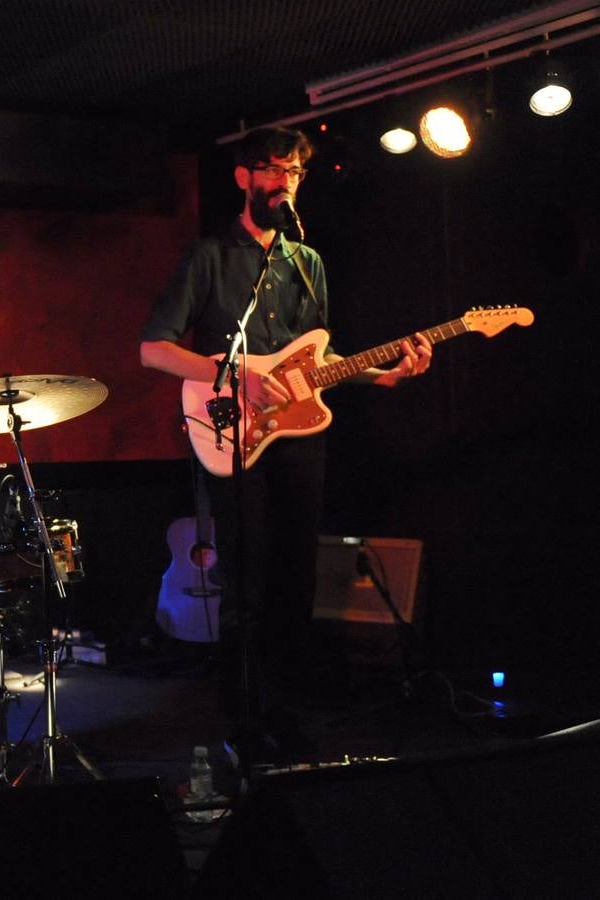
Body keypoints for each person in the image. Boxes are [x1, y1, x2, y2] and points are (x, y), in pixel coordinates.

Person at [138, 127, 432, 761]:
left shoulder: (308, 263)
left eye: (294, 174)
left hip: (299, 438)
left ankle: (287, 713)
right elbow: (153, 348)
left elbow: (318, 361)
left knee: (297, 579)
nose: (285, 183)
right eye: (273, 171)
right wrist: (233, 371)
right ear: (244, 178)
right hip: (231, 432)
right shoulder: (209, 257)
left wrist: (385, 372)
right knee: (248, 579)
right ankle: (241, 719)